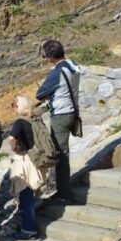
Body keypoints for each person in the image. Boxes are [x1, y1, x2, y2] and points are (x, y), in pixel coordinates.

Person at [36, 39, 81, 201]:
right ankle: (60, 188)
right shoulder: (73, 65)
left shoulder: (57, 72)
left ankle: (63, 192)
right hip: (72, 112)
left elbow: (40, 94)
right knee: (62, 151)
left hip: (61, 116)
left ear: (50, 57)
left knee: (60, 154)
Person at [8, 95, 40, 240]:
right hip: (35, 159)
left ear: (21, 106)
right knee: (29, 194)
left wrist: (14, 148)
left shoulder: (20, 122)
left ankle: (28, 229)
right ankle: (27, 224)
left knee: (26, 195)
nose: (13, 108)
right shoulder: (35, 119)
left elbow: (12, 139)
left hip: (24, 161)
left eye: (14, 105)